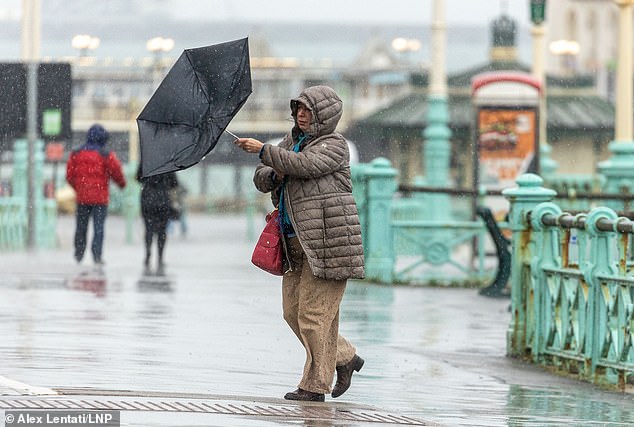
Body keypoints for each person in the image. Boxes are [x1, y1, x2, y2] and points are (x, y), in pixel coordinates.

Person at [234, 85, 365, 402]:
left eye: (308, 109)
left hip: (327, 244)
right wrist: (273, 170)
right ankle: (345, 357)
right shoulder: (291, 142)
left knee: (313, 317)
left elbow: (305, 166)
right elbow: (262, 177)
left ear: (324, 115)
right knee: (293, 312)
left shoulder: (335, 145)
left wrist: (264, 151)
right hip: (293, 244)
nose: (301, 114)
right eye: (298, 109)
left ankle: (315, 386)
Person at [66, 124, 126, 266]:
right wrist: (122, 184)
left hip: (82, 198)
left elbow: (69, 175)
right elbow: (116, 172)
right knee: (98, 228)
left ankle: (79, 253)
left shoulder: (76, 153)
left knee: (81, 226)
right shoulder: (106, 155)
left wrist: (79, 188)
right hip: (100, 199)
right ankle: (97, 255)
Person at [136, 166, 180, 276]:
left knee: (148, 229)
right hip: (163, 200)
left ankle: (148, 253)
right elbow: (174, 183)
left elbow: (138, 178)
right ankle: (160, 257)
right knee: (162, 231)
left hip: (147, 200)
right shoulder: (168, 161)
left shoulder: (147, 159)